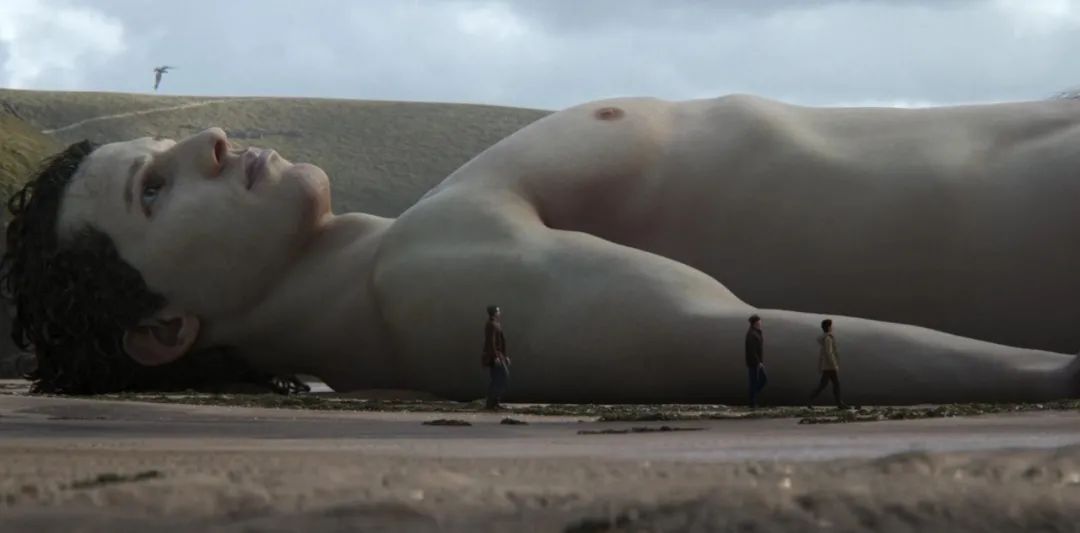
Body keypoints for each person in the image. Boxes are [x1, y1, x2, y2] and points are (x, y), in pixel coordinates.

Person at [3, 95, 1080, 403]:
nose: (205, 140)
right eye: (155, 188)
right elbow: (718, 336)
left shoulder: (423, 251)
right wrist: (1051, 379)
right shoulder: (432, 280)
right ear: (165, 328)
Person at [808, 319, 845, 409]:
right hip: (829, 366)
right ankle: (839, 403)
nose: (832, 327)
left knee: (827, 384)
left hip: (827, 366)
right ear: (828, 327)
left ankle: (839, 403)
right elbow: (829, 352)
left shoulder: (826, 338)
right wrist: (834, 364)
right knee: (832, 384)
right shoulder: (828, 338)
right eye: (831, 326)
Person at [482, 305, 509, 409]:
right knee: (500, 377)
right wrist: (494, 356)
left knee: (499, 378)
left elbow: (501, 341)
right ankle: (491, 403)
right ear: (494, 313)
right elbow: (491, 342)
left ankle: (494, 402)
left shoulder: (496, 324)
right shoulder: (491, 324)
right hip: (495, 355)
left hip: (499, 355)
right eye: (498, 311)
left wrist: (505, 356)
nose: (499, 312)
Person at [744, 314, 767, 407]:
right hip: (754, 363)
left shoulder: (756, 332)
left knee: (755, 381)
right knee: (761, 380)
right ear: (755, 323)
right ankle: (752, 399)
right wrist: (758, 363)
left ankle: (752, 399)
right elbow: (752, 350)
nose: (760, 323)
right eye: (759, 322)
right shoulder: (752, 334)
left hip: (756, 362)